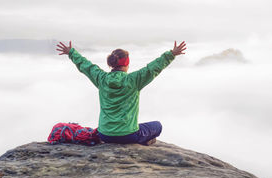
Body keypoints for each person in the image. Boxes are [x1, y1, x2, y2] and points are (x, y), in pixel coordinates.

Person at [56, 40, 186, 146]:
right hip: (128, 135)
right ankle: (144, 141)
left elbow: (86, 66)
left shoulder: (101, 79)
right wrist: (172, 54)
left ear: (111, 64)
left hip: (104, 134)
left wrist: (71, 52)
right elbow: (152, 69)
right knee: (157, 126)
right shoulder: (134, 80)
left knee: (140, 128)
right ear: (126, 63)